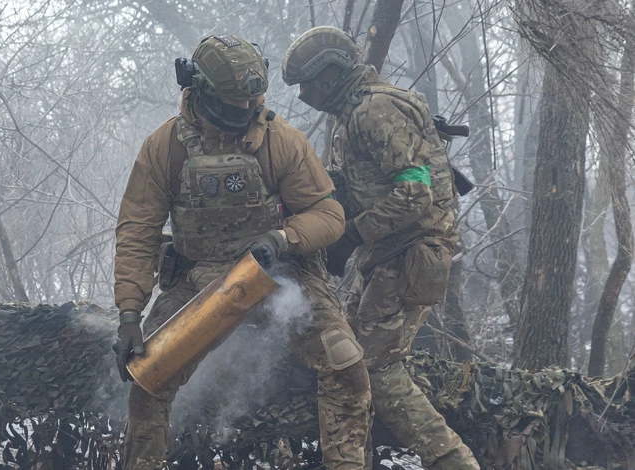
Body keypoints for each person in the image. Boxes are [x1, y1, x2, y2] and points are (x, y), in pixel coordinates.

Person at [112, 34, 371, 469]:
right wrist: (128, 314)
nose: (248, 112)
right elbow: (138, 230)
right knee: (148, 381)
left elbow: (328, 214)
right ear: (201, 92)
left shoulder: (279, 139)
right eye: (237, 104)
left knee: (346, 366)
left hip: (282, 275)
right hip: (200, 279)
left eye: (254, 102)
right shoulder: (165, 148)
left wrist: (282, 239)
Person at [281, 26, 479, 470]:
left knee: (374, 370)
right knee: (347, 365)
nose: (303, 95)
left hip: (411, 254)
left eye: (306, 84)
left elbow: (415, 192)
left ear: (330, 74)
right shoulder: (350, 114)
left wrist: (350, 235)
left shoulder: (375, 109)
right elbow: (355, 189)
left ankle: (453, 461)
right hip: (388, 255)